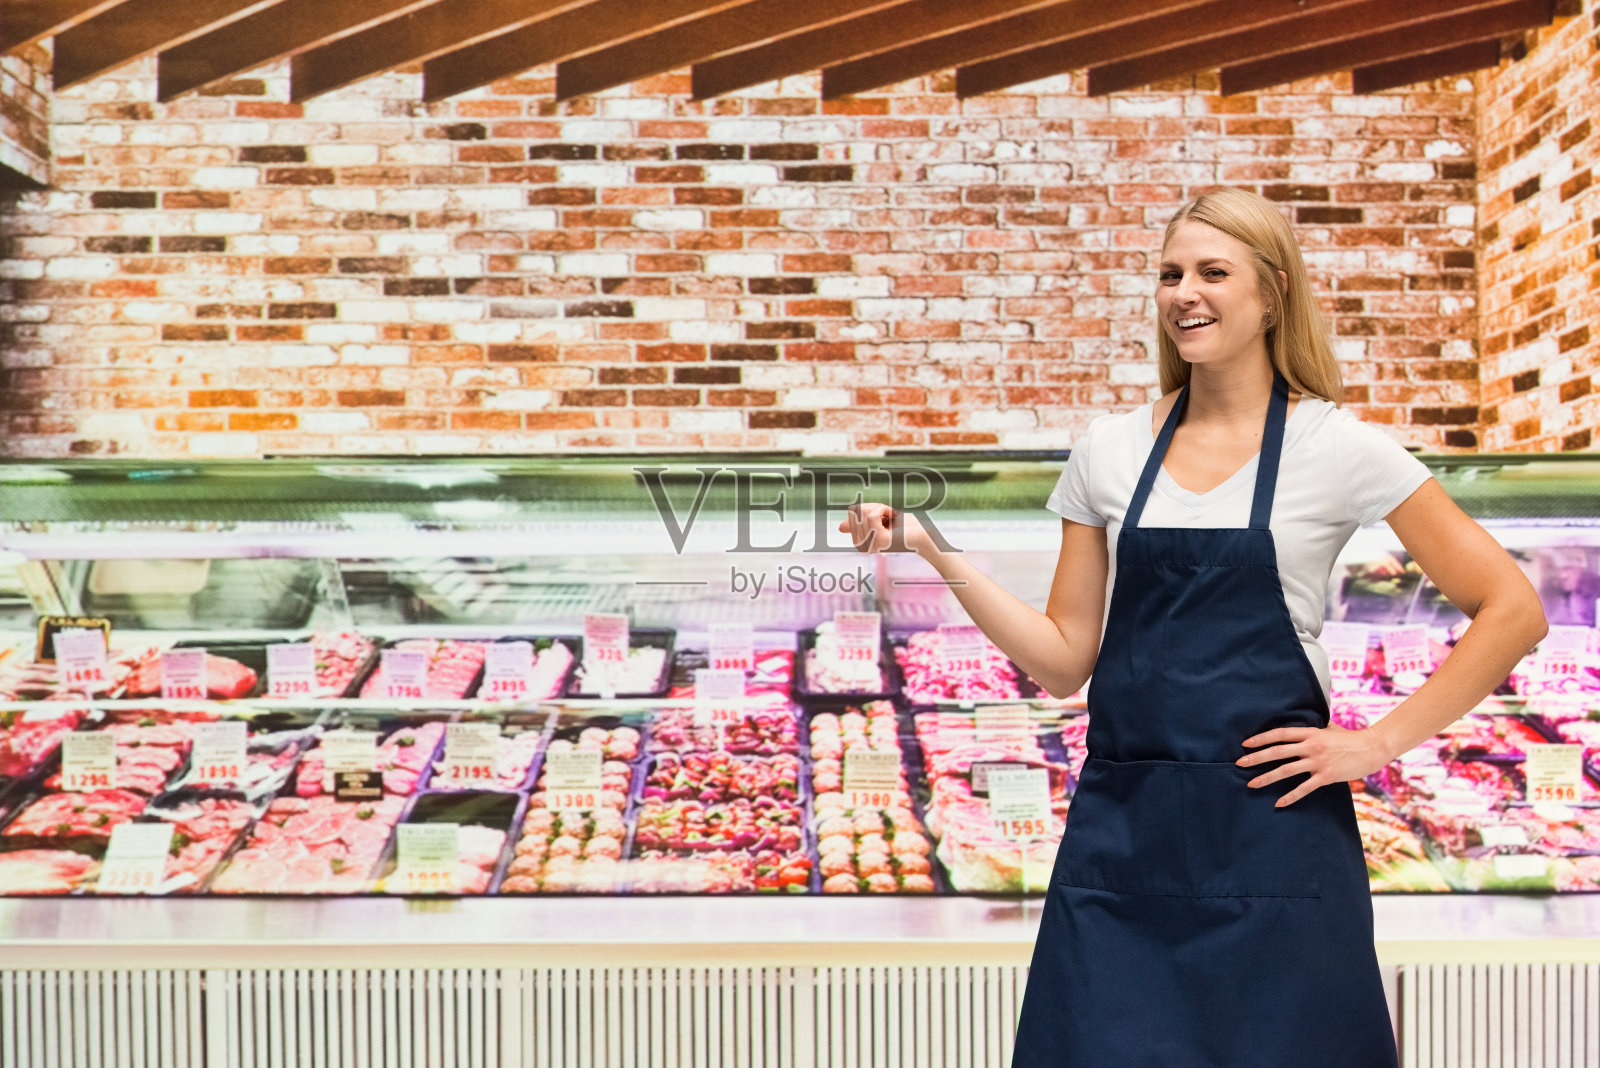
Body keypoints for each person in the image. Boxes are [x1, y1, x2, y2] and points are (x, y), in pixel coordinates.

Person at [843, 187, 1547, 1068]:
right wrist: (928, 545)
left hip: (1279, 845)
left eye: (1214, 272)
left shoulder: (1339, 447)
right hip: (1121, 847)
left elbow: (1513, 609)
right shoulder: (1109, 450)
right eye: (1170, 273)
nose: (1185, 292)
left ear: (1273, 295)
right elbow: (1066, 661)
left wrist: (1377, 743)